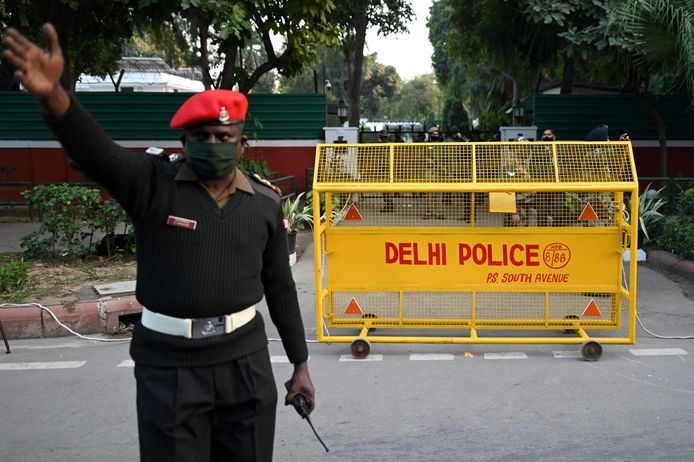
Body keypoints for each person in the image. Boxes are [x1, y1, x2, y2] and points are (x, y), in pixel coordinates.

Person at [3, 24, 314, 462]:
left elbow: (280, 287)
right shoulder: (150, 185)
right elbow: (95, 152)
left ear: (242, 145)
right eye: (201, 138)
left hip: (245, 362)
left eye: (224, 138)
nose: (213, 145)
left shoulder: (264, 202)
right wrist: (55, 97)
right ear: (183, 143)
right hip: (169, 366)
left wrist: (300, 365)